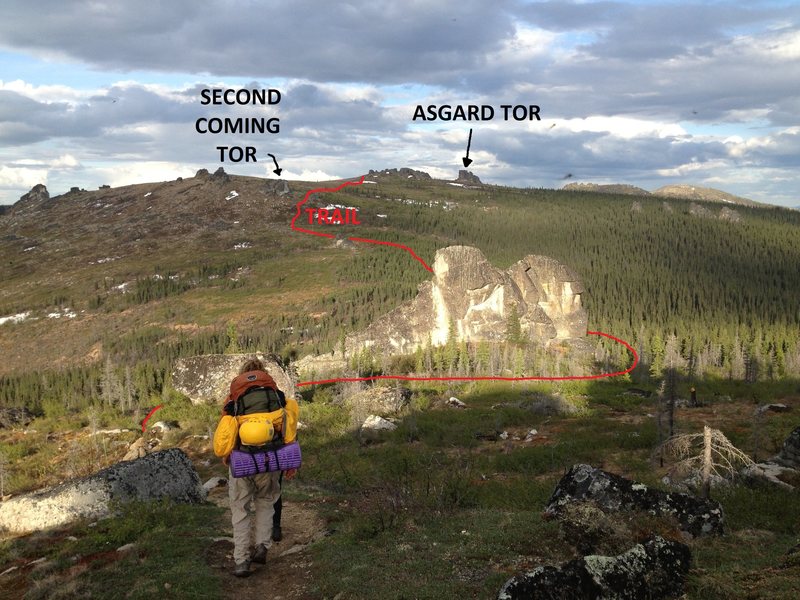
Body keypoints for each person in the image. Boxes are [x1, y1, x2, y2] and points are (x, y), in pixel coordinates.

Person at [213, 358, 299, 577]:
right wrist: (290, 461)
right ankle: (262, 545)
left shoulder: (234, 397)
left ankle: (241, 561)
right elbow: (287, 429)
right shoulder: (275, 396)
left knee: (240, 510)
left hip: (241, 460)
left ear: (242, 374)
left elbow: (226, 431)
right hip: (269, 461)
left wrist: (227, 457)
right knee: (265, 503)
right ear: (264, 373)